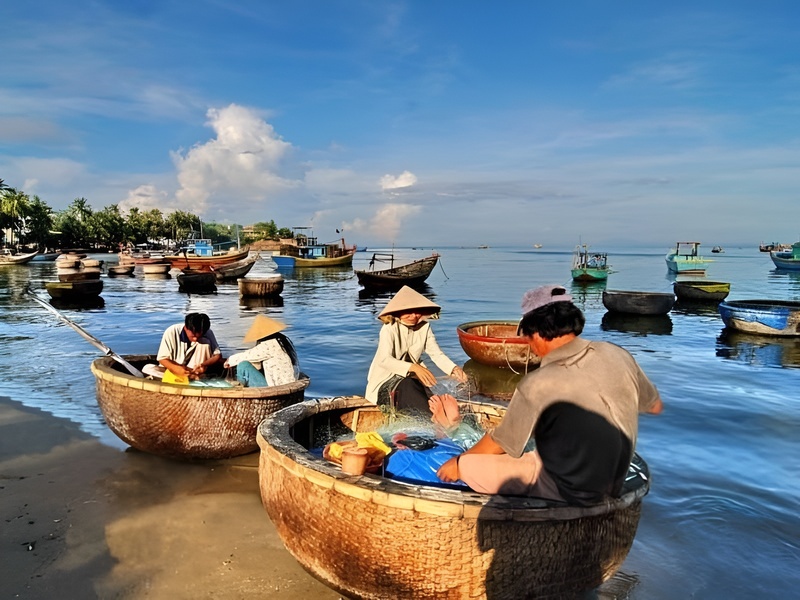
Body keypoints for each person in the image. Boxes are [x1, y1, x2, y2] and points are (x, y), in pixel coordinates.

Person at [437, 284, 663, 505]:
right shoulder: (618, 354)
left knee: (469, 467)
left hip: (571, 489)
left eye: (527, 336)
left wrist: (459, 463)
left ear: (537, 333)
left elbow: (503, 443)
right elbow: (654, 406)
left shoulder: (538, 383)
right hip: (615, 480)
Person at [365, 285, 468, 422]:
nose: (414, 316)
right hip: (385, 383)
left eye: (417, 312)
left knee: (430, 395)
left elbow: (436, 354)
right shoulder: (389, 328)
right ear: (397, 312)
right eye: (408, 312)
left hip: (412, 380)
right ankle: (436, 423)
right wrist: (413, 367)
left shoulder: (424, 327)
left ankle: (440, 420)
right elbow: (384, 360)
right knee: (409, 386)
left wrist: (453, 368)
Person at [223, 315, 299, 387]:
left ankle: (240, 387)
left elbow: (249, 355)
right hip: (288, 381)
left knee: (243, 365)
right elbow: (257, 357)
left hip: (278, 385)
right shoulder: (282, 341)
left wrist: (230, 360)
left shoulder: (269, 344)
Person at [143, 312, 223, 381]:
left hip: (195, 371)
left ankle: (194, 377)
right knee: (147, 368)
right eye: (193, 336)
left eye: (199, 336)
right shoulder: (171, 331)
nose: (195, 339)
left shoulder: (208, 332)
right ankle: (192, 378)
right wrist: (177, 369)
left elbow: (217, 355)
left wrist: (203, 365)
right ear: (185, 328)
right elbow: (162, 359)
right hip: (172, 370)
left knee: (205, 343)